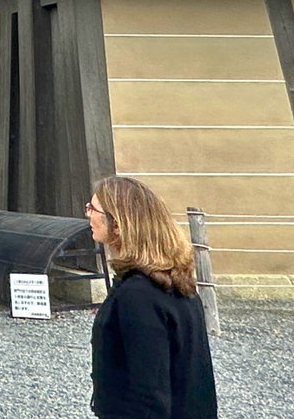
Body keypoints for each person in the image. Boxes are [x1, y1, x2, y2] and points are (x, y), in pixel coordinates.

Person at [87, 176, 218, 418]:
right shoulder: (175, 284)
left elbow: (147, 394)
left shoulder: (138, 296)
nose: (88, 215)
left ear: (118, 223)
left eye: (93, 209)